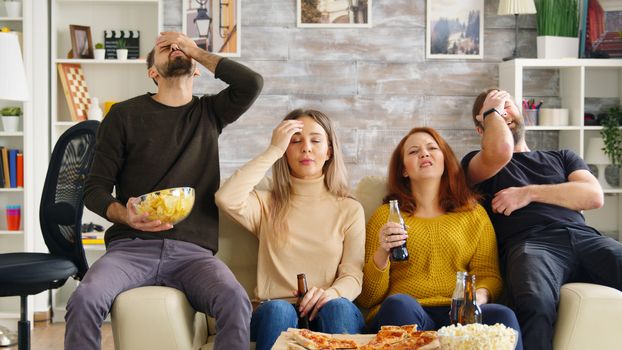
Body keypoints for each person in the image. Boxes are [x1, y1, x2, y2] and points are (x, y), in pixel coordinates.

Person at [69, 32, 263, 350]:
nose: (175, 49)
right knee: (85, 299)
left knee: (235, 300)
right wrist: (125, 214)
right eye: (165, 48)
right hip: (131, 249)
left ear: (197, 68)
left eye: (180, 47)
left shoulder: (210, 113)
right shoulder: (123, 115)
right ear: (153, 72)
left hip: (193, 255)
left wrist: (196, 51)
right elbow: (94, 189)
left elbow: (251, 83)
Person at [462, 89, 622, 350]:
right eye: (493, 111)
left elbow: (593, 196)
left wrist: (528, 193)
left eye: (507, 106)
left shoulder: (562, 157)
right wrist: (493, 114)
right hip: (531, 245)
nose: (503, 113)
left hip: (583, 237)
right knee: (534, 303)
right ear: (482, 129)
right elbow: (500, 149)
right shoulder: (477, 165)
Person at [357, 127, 522, 348]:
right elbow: (367, 298)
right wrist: (382, 252)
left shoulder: (473, 214)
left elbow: (488, 274)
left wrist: (476, 299)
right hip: (407, 312)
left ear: (445, 159)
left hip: (459, 316)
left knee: (503, 316)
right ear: (404, 170)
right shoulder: (385, 217)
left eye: (432, 148)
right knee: (398, 304)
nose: (424, 154)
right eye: (414, 152)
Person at [215, 109, 365, 350]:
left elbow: (353, 275)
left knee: (337, 308)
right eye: (295, 141)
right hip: (275, 310)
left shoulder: (349, 208)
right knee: (278, 310)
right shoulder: (266, 203)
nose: (305, 148)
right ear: (285, 151)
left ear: (329, 151)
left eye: (315, 140)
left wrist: (332, 293)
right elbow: (226, 198)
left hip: (329, 306)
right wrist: (273, 150)